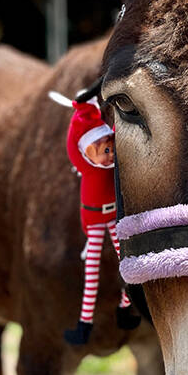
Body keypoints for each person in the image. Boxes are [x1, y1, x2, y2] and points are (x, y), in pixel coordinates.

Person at [63, 97, 140, 345]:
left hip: (112, 217)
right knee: (92, 270)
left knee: (126, 259)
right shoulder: (86, 166)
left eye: (111, 149)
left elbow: (121, 128)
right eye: (103, 152)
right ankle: (85, 323)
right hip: (95, 219)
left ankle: (126, 306)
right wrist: (81, 111)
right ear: (87, 151)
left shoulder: (111, 167)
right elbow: (71, 142)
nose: (109, 157)